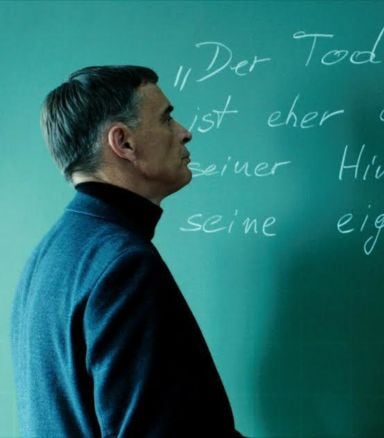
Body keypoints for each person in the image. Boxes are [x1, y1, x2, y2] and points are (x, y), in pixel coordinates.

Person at [10, 66, 242, 437]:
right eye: (166, 118)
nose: (185, 132)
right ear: (124, 143)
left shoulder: (48, 257)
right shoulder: (124, 265)